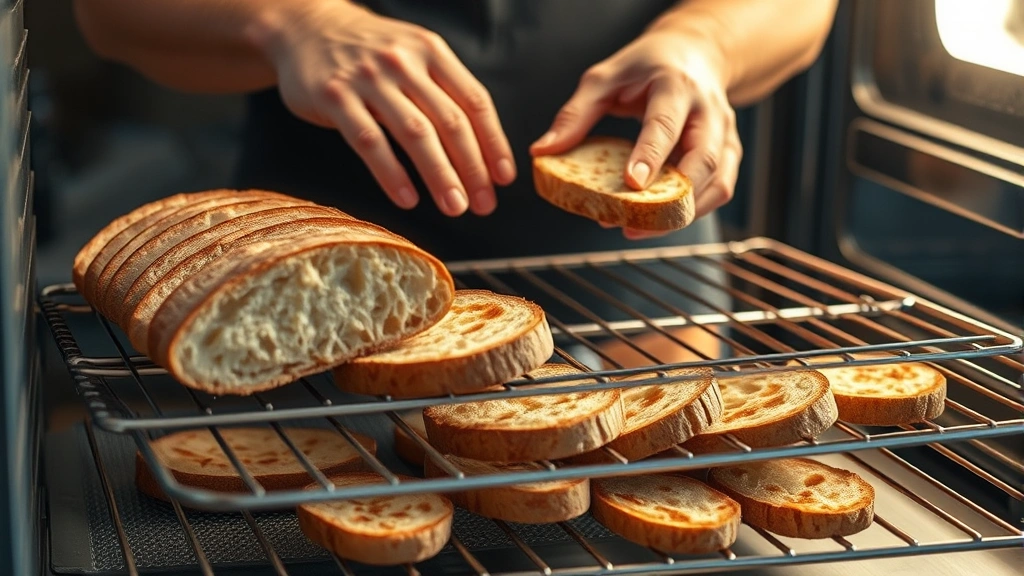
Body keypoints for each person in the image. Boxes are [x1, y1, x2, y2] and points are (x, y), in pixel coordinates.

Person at [71, 0, 838, 368]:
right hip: (313, 291)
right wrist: (294, 21)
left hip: (637, 289)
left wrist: (703, 42)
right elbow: (108, 15)